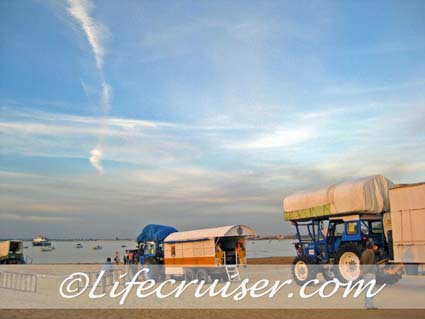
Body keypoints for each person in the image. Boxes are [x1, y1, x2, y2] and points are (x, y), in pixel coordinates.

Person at [361, 239, 377, 309]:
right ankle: (370, 305)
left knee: (367, 289)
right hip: (370, 273)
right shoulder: (371, 253)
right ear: (372, 246)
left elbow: (360, 263)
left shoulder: (363, 253)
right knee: (371, 290)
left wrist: (361, 272)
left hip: (365, 274)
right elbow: (370, 264)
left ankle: (366, 305)